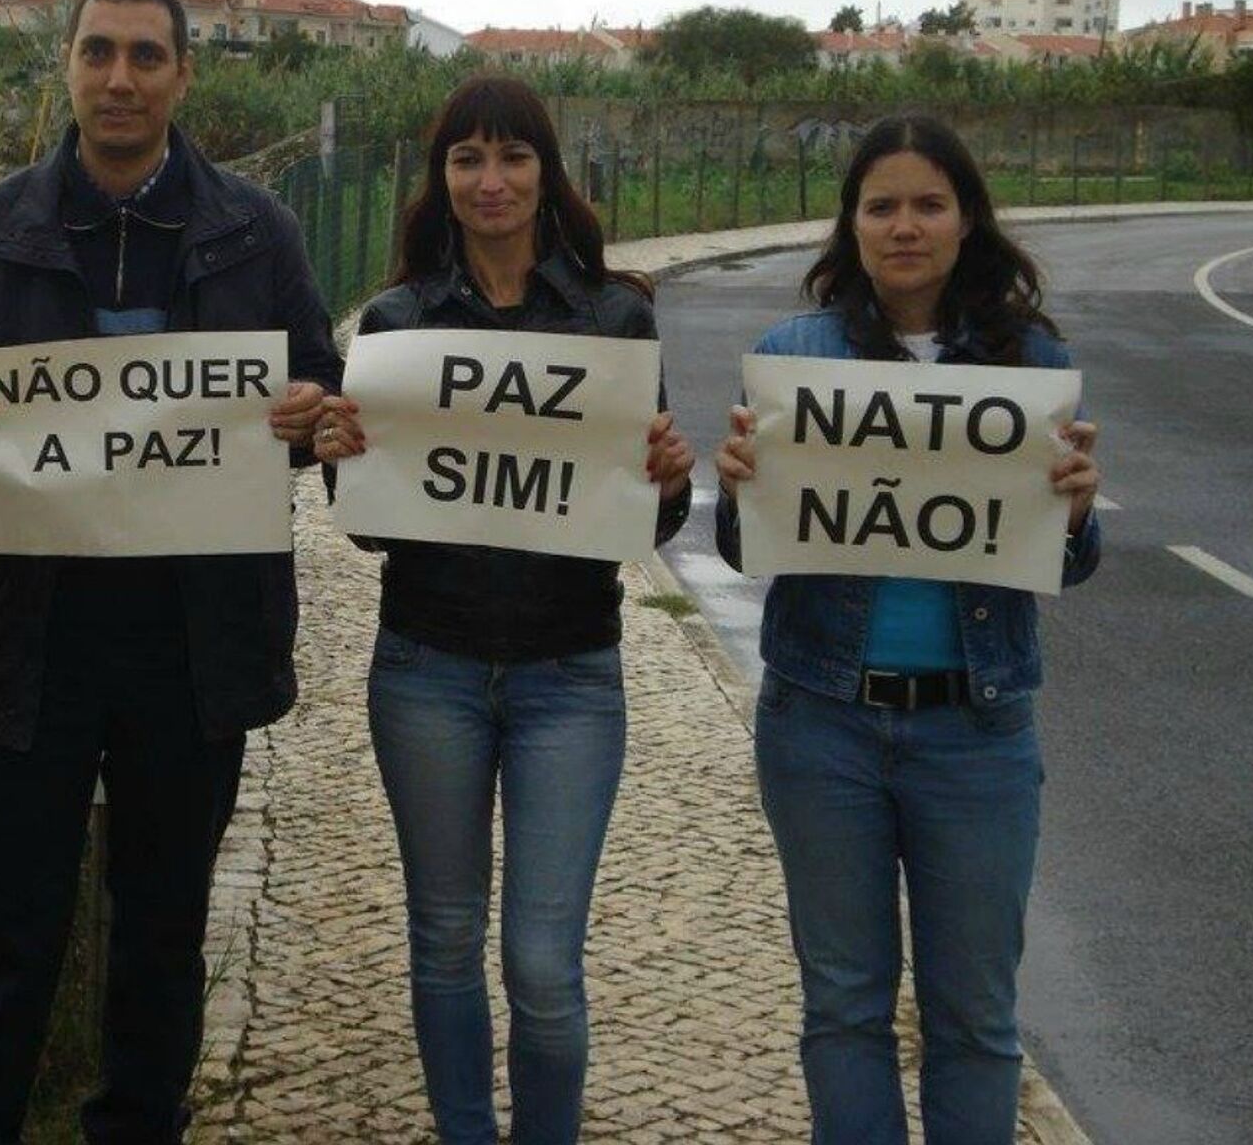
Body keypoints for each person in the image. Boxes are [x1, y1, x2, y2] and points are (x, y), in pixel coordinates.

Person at [0, 0, 343, 1144]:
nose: (120, 78)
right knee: (9, 927)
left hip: (192, 636)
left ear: (183, 74)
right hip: (30, 632)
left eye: (147, 56)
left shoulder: (259, 230)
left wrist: (307, 417)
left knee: (163, 928)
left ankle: (137, 1127)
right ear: (68, 65)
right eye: (99, 51)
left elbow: (319, 400)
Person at [312, 75, 695, 1145]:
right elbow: (375, 526)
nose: (492, 181)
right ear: (441, 181)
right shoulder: (395, 323)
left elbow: (643, 520)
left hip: (570, 675)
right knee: (441, 939)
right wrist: (344, 464)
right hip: (426, 667)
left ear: (546, 173)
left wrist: (669, 480)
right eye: (468, 159)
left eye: (513, 156)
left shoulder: (619, 318)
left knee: (541, 959)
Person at [712, 113, 1102, 1144]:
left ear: (967, 218)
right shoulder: (792, 354)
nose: (905, 226)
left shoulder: (1033, 361)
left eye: (929, 204)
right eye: (881, 205)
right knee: (843, 1007)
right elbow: (750, 549)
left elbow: (1063, 562)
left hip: (977, 733)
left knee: (975, 1018)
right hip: (821, 726)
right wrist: (740, 488)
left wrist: (1071, 508)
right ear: (852, 222)